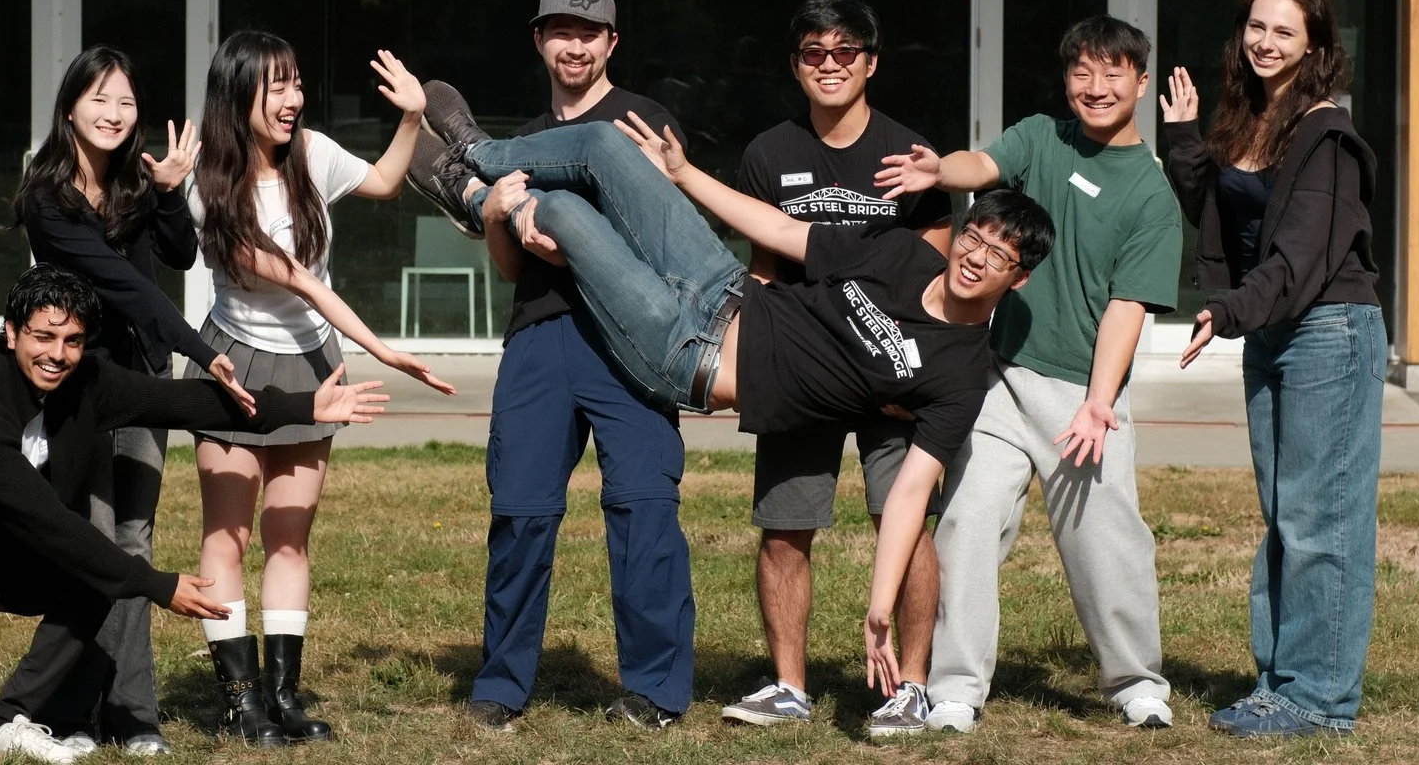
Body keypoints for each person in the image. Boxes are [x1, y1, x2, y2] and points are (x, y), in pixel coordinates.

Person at [409, 79, 1054, 705]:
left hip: (689, 354)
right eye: (974, 238)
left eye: (999, 257)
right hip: (723, 289)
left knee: (563, 214)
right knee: (604, 143)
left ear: (1018, 278)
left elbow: (911, 493)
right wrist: (684, 175)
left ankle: (471, 194)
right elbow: (786, 233)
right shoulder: (908, 259)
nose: (976, 257)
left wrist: (879, 607)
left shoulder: (959, 372)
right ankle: (478, 152)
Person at [0, 265, 388, 765]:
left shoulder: (85, 382)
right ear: (11, 333)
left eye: (72, 341)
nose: (57, 355)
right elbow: (46, 520)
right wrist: (156, 584)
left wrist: (301, 409)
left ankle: (5, 726)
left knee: (91, 578)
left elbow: (179, 402)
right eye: (43, 337)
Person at [876, 14, 1184, 735]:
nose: (1096, 86)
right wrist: (937, 171)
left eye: (1113, 73)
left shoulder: (1151, 195)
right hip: (1000, 381)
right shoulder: (1043, 137)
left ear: (1141, 82)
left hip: (1084, 399)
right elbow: (981, 165)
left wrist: (1099, 402)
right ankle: (955, 687)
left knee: (1105, 542)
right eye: (1082, 71)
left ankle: (1137, 683)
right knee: (968, 522)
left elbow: (1127, 307)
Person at [185, 30, 455, 747]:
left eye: (297, 82)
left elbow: (385, 182)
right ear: (237, 93)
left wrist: (412, 117)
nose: (292, 99)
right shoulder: (208, 184)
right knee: (228, 533)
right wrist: (384, 350)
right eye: (276, 85)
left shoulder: (312, 152)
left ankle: (282, 696)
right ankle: (239, 701)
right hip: (233, 363)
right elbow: (301, 281)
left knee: (290, 536)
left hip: (312, 362)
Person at [455, 0, 699, 734]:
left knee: (644, 506)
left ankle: (655, 689)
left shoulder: (644, 124)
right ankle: (501, 686)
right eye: (562, 30)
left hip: (631, 340)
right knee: (521, 510)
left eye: (590, 32)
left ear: (611, 43)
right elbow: (509, 267)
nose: (575, 45)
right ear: (539, 40)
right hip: (541, 332)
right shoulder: (522, 143)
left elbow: (665, 238)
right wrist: (496, 218)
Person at [720, 0, 954, 737]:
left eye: (845, 50)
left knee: (905, 525)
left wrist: (919, 373)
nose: (830, 64)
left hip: (890, 375)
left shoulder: (909, 154)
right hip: (802, 367)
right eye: (814, 52)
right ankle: (789, 684)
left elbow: (940, 276)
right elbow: (763, 272)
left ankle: (912, 687)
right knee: (784, 528)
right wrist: (750, 363)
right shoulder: (768, 154)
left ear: (871, 62)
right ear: (796, 65)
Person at [1159, 0, 1385, 739]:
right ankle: (1278, 683)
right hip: (1274, 328)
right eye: (1257, 26)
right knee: (1287, 514)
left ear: (1315, 45)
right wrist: (1184, 138)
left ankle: (1319, 699)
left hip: (1330, 329)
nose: (1266, 41)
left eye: (1285, 30)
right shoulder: (1251, 120)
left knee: (1324, 519)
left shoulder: (1326, 135)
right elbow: (1221, 217)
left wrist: (1226, 311)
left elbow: (1298, 258)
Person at [13, 44, 237, 758]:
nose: (113, 113)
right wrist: (201, 351)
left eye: (126, 101)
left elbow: (179, 255)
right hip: (75, 387)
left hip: (140, 378)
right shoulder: (46, 197)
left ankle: (134, 714)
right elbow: (125, 285)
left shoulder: (136, 181)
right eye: (99, 98)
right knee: (93, 543)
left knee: (134, 543)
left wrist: (169, 189)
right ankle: (73, 709)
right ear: (70, 107)